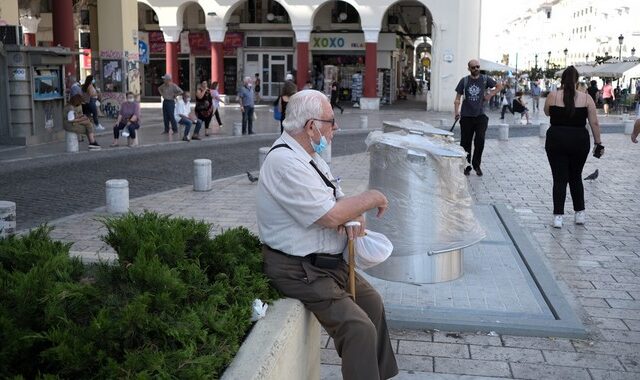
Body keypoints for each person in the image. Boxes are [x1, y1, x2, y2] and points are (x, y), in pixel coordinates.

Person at [257, 89, 398, 380]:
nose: (336, 128)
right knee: (358, 328)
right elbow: (332, 215)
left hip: (327, 263)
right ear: (311, 126)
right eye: (331, 121)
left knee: (373, 305)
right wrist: (372, 197)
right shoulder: (284, 162)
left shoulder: (310, 156)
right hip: (298, 269)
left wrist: (353, 212)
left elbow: (339, 201)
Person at [544, 65, 603, 228]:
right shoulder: (586, 98)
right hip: (579, 140)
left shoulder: (553, 96)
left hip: (556, 139)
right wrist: (598, 143)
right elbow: (594, 122)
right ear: (577, 81)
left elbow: (547, 112)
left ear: (562, 80)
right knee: (576, 176)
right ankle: (580, 214)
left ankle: (558, 217)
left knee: (559, 178)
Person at [454, 59, 502, 176]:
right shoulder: (464, 81)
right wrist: (456, 112)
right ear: (469, 69)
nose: (476, 69)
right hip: (466, 116)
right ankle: (467, 165)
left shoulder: (485, 79)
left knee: (480, 140)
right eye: (473, 67)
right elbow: (457, 98)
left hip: (481, 115)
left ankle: (477, 165)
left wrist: (490, 94)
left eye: (477, 67)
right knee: (465, 142)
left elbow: (499, 86)